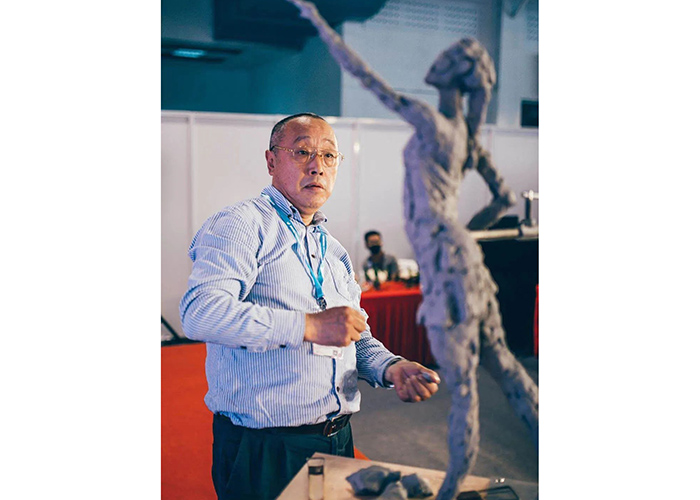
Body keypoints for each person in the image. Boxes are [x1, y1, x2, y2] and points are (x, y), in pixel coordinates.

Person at [179, 113, 440, 500]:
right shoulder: (241, 225)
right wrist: (308, 326)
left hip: (337, 438)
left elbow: (354, 335)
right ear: (271, 161)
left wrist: (391, 367)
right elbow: (200, 312)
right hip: (266, 448)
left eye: (329, 156)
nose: (317, 166)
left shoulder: (332, 250)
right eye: (302, 152)